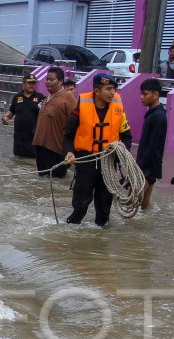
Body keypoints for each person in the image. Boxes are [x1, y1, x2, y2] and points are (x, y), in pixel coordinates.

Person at [62, 73, 133, 226]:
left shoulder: (118, 109)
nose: (112, 92)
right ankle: (71, 235)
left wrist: (120, 153)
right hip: (86, 162)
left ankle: (100, 242)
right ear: (97, 91)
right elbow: (68, 136)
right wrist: (69, 152)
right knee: (80, 205)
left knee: (104, 208)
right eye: (108, 89)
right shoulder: (82, 108)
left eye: (114, 89)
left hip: (108, 163)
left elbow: (127, 137)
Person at [33, 66, 79, 178]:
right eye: (47, 79)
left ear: (60, 81)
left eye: (51, 79)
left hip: (56, 148)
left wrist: (71, 149)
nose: (48, 82)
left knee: (55, 180)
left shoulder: (68, 97)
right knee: (42, 178)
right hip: (41, 145)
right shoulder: (47, 97)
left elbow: (75, 122)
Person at [135, 78, 167, 211]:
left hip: (148, 166)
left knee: (134, 201)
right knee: (144, 204)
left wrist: (140, 166)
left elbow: (152, 146)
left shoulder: (158, 116)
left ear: (155, 94)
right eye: (141, 94)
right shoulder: (153, 114)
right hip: (149, 165)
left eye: (145, 94)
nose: (141, 97)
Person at [3, 75, 45, 158]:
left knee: (32, 161)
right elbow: (11, 111)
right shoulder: (17, 97)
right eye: (29, 83)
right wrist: (5, 117)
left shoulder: (40, 97)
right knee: (18, 160)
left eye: (33, 83)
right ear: (23, 83)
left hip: (34, 137)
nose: (31, 85)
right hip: (19, 137)